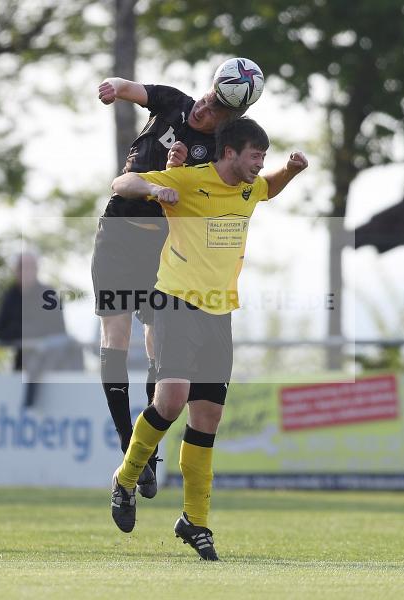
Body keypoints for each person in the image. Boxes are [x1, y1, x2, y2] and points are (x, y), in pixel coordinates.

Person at [107, 118, 307, 560]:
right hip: (175, 302)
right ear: (230, 153)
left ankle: (194, 521)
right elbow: (123, 182)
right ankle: (125, 478)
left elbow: (268, 189)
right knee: (172, 399)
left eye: (263, 157)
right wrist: (155, 191)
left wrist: (291, 170)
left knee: (208, 419)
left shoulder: (248, 188)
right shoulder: (189, 179)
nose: (260, 164)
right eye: (255, 155)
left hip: (220, 313)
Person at [92, 71, 244, 499]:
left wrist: (178, 172)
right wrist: (113, 88)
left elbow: (201, 194)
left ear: (228, 119)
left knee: (157, 344)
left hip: (162, 248)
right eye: (206, 97)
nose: (203, 107)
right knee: (115, 336)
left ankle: (145, 455)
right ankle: (128, 447)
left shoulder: (218, 153)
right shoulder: (174, 100)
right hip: (119, 235)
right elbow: (131, 88)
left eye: (214, 108)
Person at [0, 252, 82, 406]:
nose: (25, 272)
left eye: (30, 267)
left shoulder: (48, 295)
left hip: (53, 366)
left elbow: (59, 331)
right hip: (22, 366)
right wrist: (24, 333)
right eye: (22, 267)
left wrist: (33, 334)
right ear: (16, 270)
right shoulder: (10, 296)